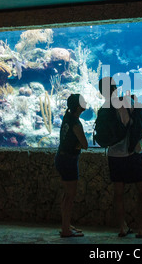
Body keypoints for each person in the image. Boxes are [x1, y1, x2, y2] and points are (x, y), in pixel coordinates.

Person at [98, 77, 142, 238]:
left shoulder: (103, 109)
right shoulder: (125, 101)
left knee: (118, 192)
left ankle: (122, 227)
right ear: (115, 88)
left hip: (114, 155)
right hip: (133, 152)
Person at [55, 93, 88, 238]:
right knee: (70, 195)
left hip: (61, 158)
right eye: (83, 101)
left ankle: (65, 224)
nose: (85, 102)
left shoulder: (67, 117)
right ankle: (66, 230)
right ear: (78, 106)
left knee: (66, 195)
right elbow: (85, 144)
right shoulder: (76, 123)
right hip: (69, 161)